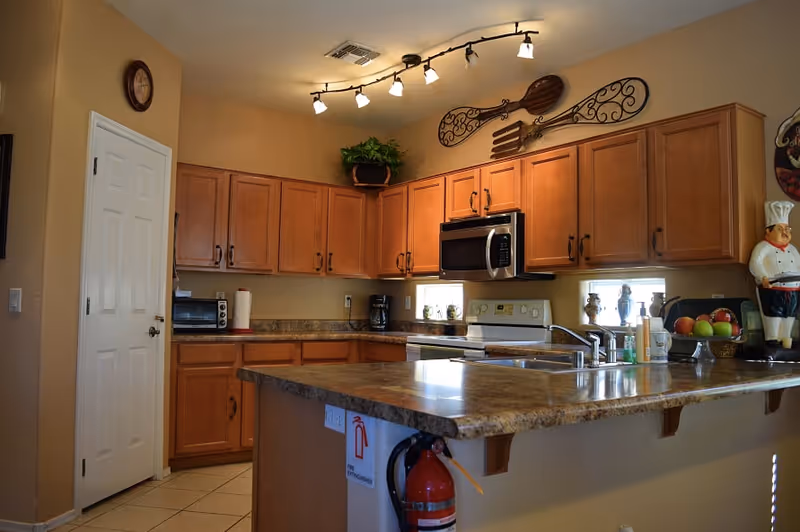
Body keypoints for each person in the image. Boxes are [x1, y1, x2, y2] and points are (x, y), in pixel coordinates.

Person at [749, 201, 800, 347]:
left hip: (794, 291)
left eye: (787, 229)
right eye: (780, 229)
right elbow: (755, 263)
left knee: (790, 318)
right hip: (772, 290)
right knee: (773, 317)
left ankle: (787, 343)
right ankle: (772, 342)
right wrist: (763, 277)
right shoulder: (763, 247)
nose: (785, 232)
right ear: (768, 231)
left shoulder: (793, 249)